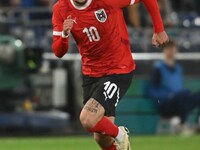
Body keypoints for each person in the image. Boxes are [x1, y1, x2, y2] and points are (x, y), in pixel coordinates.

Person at [52, 0, 169, 149]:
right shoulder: (61, 8)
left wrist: (159, 29)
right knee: (102, 138)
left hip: (118, 69)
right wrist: (64, 35)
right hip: (91, 74)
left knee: (88, 119)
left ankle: (120, 134)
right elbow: (58, 52)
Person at [148, 40, 200, 126]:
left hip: (181, 100)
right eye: (168, 48)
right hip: (165, 103)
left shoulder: (179, 68)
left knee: (194, 96)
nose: (171, 50)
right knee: (183, 96)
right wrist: (168, 96)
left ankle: (197, 123)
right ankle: (182, 124)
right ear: (164, 50)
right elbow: (152, 90)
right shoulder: (158, 68)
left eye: (173, 48)